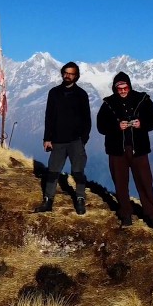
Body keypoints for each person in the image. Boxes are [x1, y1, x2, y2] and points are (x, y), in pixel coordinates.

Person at [96, 71, 153, 230]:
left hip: (139, 149)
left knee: (145, 183)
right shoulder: (108, 103)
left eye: (125, 88)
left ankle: (152, 216)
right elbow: (101, 126)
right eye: (119, 89)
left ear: (130, 86)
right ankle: (126, 214)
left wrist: (142, 124)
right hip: (116, 151)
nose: (123, 91)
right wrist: (116, 127)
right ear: (115, 88)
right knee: (120, 183)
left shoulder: (143, 100)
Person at [38, 61, 92, 215]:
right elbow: (49, 117)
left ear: (76, 76)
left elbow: (86, 118)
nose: (68, 76)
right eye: (66, 72)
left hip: (76, 140)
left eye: (71, 73)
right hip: (57, 140)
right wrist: (47, 138)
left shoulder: (81, 94)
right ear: (62, 73)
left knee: (78, 171)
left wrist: (83, 139)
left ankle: (80, 199)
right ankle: (48, 201)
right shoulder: (54, 93)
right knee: (53, 171)